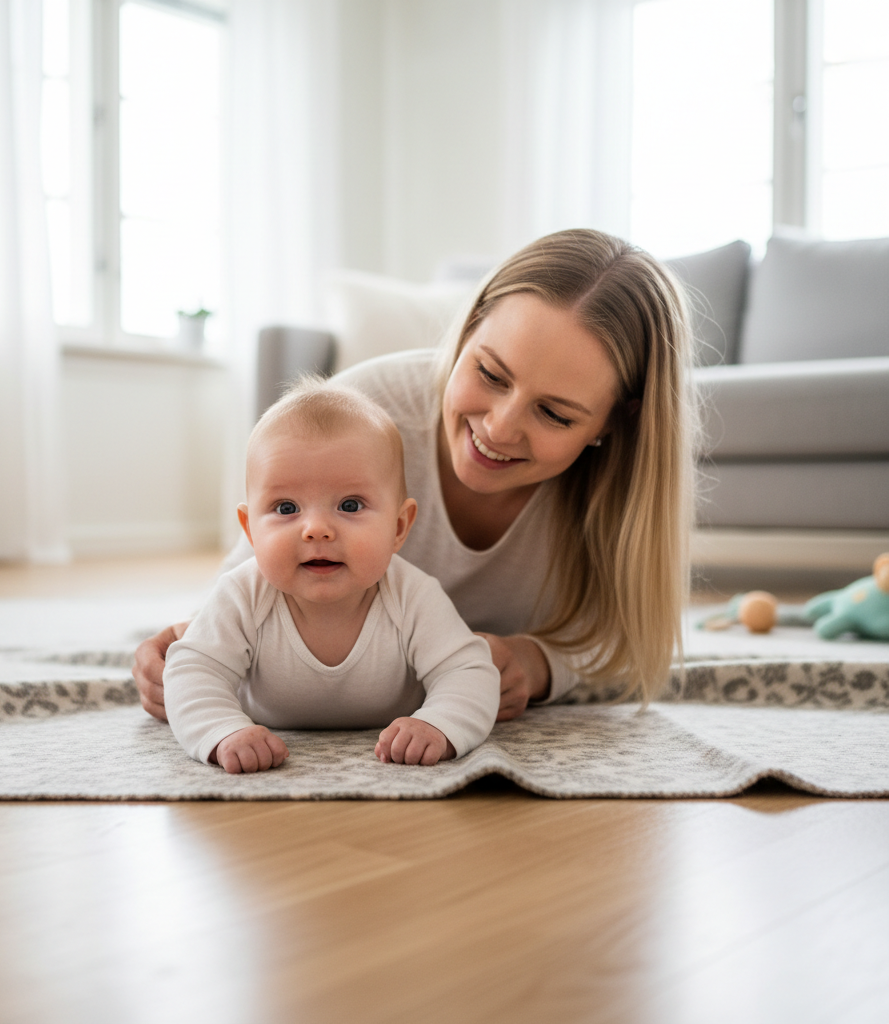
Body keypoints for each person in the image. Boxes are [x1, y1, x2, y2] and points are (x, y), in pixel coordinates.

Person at [137, 228, 695, 723]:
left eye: (554, 414)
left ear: (616, 422)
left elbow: (627, 649)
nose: (499, 429)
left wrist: (538, 663)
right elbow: (247, 586)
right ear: (468, 331)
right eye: (490, 373)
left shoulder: (617, 492)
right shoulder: (362, 415)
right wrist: (188, 648)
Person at [164, 378, 500, 773]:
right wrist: (223, 731)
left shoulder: (413, 595)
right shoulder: (242, 594)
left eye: (350, 504)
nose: (316, 529)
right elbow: (193, 671)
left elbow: (468, 671)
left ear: (398, 527)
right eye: (287, 508)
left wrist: (438, 723)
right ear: (250, 530)